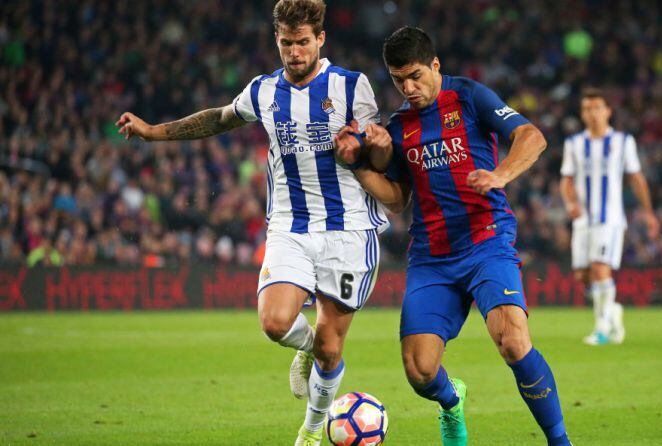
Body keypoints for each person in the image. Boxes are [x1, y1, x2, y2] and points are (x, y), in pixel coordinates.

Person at [116, 1, 388, 444]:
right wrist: (154, 131)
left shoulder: (352, 87)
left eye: (303, 42)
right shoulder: (263, 91)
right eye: (286, 43)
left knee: (332, 346)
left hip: (349, 228)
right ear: (276, 41)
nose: (295, 52)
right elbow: (218, 119)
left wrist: (366, 145)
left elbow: (382, 155)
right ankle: (307, 348)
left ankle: (312, 431)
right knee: (275, 323)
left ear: (321, 40)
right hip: (289, 225)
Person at [335, 26, 571, 446]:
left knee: (514, 342)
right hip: (432, 258)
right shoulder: (399, 126)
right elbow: (396, 199)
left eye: (415, 76)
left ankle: (559, 441)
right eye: (397, 79)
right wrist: (359, 168)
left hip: (486, 242)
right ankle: (451, 401)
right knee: (420, 371)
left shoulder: (469, 97)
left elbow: (532, 137)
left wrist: (500, 174)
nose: (408, 87)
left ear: (435, 65)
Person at [559, 88, 659, 346]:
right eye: (587, 108)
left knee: (600, 268)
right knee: (583, 275)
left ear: (608, 111)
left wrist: (648, 213)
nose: (592, 113)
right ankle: (612, 310)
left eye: (597, 107)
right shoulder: (574, 144)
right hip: (583, 220)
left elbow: (636, 178)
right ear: (582, 113)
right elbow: (566, 180)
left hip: (610, 218)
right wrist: (570, 203)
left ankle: (601, 328)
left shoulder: (623, 141)